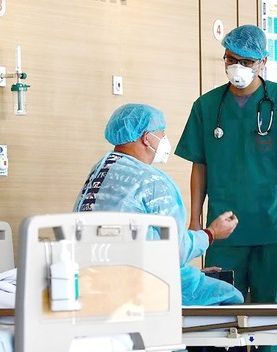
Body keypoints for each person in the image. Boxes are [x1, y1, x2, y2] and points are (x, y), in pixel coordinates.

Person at [175, 25, 277, 352]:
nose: (237, 67)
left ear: (262, 62)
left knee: (271, 315)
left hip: (273, 225)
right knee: (220, 314)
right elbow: (199, 164)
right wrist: (195, 221)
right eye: (231, 59)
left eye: (246, 61)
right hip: (223, 232)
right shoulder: (207, 106)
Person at [73, 103, 243, 306]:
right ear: (147, 137)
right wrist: (211, 233)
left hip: (92, 278)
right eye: (162, 134)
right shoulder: (151, 182)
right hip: (138, 284)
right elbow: (174, 250)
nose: (165, 141)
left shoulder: (101, 170)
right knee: (230, 296)